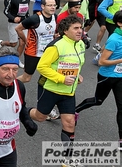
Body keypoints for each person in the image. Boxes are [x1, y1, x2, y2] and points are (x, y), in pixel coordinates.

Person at [29, 15, 85, 157]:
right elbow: (42, 67)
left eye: (81, 28)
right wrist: (61, 78)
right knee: (41, 117)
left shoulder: (81, 44)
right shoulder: (56, 46)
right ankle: (22, 112)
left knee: (69, 123)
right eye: (76, 28)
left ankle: (67, 157)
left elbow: (75, 64)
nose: (80, 31)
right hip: (50, 88)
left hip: (68, 92)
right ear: (65, 30)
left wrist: (77, 76)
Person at [75, 10, 122, 149]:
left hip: (120, 77)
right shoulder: (114, 39)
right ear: (119, 23)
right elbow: (101, 62)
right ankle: (75, 110)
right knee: (98, 101)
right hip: (107, 76)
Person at [15, 0, 57, 84]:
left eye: (54, 5)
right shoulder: (34, 19)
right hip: (33, 53)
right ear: (42, 6)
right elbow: (18, 28)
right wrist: (25, 41)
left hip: (48, 52)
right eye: (50, 5)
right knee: (26, 78)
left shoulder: (55, 17)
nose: (53, 7)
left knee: (48, 76)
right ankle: (9, 84)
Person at [1, 0, 30, 68]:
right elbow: (6, 11)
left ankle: (17, 59)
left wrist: (29, 20)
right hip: (13, 23)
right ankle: (2, 43)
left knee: (22, 43)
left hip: (23, 24)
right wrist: (13, 18)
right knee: (14, 44)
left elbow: (26, 12)